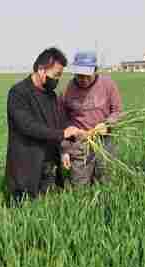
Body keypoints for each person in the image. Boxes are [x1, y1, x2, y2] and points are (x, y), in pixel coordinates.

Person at [5, 47, 85, 201]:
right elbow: (27, 126)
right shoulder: (18, 93)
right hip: (26, 168)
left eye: (60, 76)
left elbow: (57, 124)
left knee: (47, 214)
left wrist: (63, 150)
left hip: (49, 167)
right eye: (55, 75)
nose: (57, 80)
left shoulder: (51, 96)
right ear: (41, 70)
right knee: (25, 215)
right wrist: (62, 134)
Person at [60, 51, 123, 185]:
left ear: (95, 70)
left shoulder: (108, 85)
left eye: (87, 75)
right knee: (79, 185)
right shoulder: (67, 89)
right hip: (79, 144)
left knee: (105, 181)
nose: (83, 79)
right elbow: (62, 121)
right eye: (79, 76)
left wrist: (107, 124)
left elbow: (117, 111)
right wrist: (65, 150)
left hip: (104, 142)